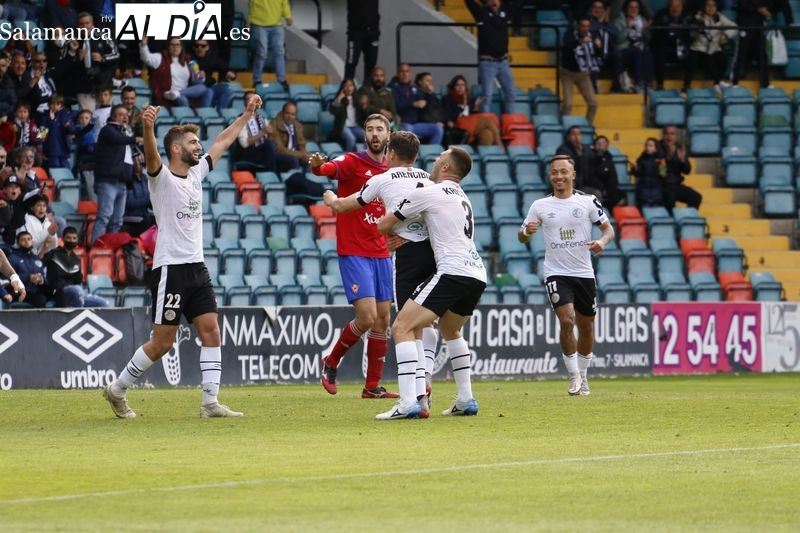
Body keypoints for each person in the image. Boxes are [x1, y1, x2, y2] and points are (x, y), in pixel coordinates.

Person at [102, 94, 264, 420]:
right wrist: (147, 127)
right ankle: (117, 390)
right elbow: (150, 155)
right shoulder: (161, 178)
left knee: (212, 331)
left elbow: (222, 141)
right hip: (170, 270)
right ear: (176, 149)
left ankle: (210, 403)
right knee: (162, 342)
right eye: (192, 141)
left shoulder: (195, 174)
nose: (198, 145)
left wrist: (246, 116)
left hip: (196, 268)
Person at [322, 131, 438, 416]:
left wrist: (330, 197)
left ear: (391, 154)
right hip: (432, 254)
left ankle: (404, 395)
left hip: (401, 256)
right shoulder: (429, 179)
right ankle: (420, 394)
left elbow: (341, 206)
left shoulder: (382, 179)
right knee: (414, 324)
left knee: (398, 325)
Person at [376, 146, 486, 418]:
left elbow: (383, 224)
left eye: (439, 158)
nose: (435, 161)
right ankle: (466, 399)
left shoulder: (429, 192)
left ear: (446, 167)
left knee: (402, 326)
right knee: (451, 330)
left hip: (452, 271)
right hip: (476, 273)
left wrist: (397, 233)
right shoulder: (464, 197)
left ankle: (407, 403)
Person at [309, 113, 398, 399]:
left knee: (383, 320)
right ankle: (331, 361)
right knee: (368, 317)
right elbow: (327, 169)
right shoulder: (352, 161)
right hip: (355, 251)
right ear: (364, 135)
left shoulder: (392, 170)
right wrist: (318, 166)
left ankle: (372, 387)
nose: (374, 134)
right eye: (370, 129)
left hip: (382, 252)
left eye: (379, 130)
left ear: (388, 135)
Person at [518, 154, 615, 396]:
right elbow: (522, 236)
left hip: (584, 273)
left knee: (587, 327)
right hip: (556, 273)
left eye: (563, 171)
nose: (558, 176)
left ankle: (583, 375)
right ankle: (573, 375)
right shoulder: (539, 206)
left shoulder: (589, 202)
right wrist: (527, 232)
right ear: (550, 175)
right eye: (554, 172)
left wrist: (602, 241)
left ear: (572, 175)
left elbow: (608, 229)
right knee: (566, 320)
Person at [91, 105, 137, 244]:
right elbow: (119, 139)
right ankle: (95, 249)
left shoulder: (125, 132)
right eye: (120, 114)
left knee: (117, 220)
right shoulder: (108, 130)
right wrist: (137, 138)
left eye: (126, 114)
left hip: (122, 182)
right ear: (112, 117)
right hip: (108, 181)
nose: (125, 117)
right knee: (104, 217)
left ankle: (110, 249)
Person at [465, 0, 517, 113]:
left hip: (503, 62)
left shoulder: (506, 11)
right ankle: (485, 123)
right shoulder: (480, 13)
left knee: (511, 93)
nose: (494, 2)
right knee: (487, 96)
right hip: (487, 62)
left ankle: (510, 121)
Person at [731, 0, 793, 89]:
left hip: (758, 26)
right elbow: (742, 4)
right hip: (745, 24)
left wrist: (770, 12)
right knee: (741, 54)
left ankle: (765, 83)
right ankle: (734, 82)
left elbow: (772, 5)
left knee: (762, 56)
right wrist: (759, 9)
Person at [139, 36, 213, 109]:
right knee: (183, 99)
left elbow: (196, 81)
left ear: (182, 47)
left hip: (186, 93)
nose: (175, 47)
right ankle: (187, 117)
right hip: (168, 94)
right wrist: (143, 45)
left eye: (178, 45)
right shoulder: (161, 57)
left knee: (205, 88)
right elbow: (146, 58)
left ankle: (201, 115)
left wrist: (201, 77)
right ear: (168, 46)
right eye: (172, 45)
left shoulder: (188, 60)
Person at [44, 225, 109, 308]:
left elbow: (78, 280)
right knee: (76, 290)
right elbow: (39, 262)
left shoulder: (77, 259)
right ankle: (79, 317)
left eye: (74, 238)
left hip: (76, 292)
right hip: (58, 291)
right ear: (63, 239)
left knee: (103, 303)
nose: (71, 241)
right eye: (69, 238)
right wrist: (45, 246)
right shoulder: (54, 254)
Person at [685, 0, 737, 94]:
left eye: (713, 6)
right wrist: (698, 25)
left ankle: (718, 82)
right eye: (708, 5)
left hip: (714, 48)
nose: (711, 8)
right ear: (704, 7)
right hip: (699, 48)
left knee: (722, 59)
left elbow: (734, 27)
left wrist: (725, 36)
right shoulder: (697, 17)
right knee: (697, 60)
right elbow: (691, 33)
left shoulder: (720, 17)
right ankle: (687, 87)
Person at [74, 12, 119, 111]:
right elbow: (67, 64)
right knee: (87, 120)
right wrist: (78, 58)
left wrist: (103, 59)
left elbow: (116, 54)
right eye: (82, 24)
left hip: (103, 86)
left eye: (87, 23)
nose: (85, 26)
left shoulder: (103, 36)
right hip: (84, 88)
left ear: (92, 23)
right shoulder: (74, 39)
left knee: (105, 118)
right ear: (78, 26)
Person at [440, 74, 502, 147]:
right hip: (458, 125)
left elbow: (472, 116)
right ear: (453, 87)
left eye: (462, 85)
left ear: (465, 87)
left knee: (487, 133)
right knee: (487, 121)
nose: (460, 88)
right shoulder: (447, 99)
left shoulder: (469, 100)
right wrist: (461, 108)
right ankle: (499, 143)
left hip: (470, 126)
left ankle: (483, 156)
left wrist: (475, 108)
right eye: (457, 85)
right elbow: (446, 114)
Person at [390, 63, 444, 145]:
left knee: (438, 129)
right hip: (401, 124)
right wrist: (413, 104)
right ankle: (410, 156)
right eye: (402, 71)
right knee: (408, 130)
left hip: (416, 124)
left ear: (410, 74)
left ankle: (430, 154)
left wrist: (430, 93)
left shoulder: (414, 87)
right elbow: (396, 104)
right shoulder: (393, 87)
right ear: (397, 73)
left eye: (407, 71)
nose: (405, 74)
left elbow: (427, 102)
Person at [560, 18, 601, 125]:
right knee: (568, 104)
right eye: (583, 26)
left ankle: (587, 126)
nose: (585, 29)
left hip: (583, 73)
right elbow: (566, 48)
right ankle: (565, 126)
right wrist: (580, 42)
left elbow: (598, 55)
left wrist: (598, 47)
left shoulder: (593, 35)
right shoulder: (570, 34)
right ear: (578, 27)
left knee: (593, 103)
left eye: (587, 26)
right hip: (568, 73)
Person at [249, 0, 292, 90]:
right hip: (258, 23)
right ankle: (257, 80)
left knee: (279, 52)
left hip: (276, 24)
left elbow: (284, 2)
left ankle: (281, 80)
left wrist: (288, 16)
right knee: (262, 52)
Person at [659, 125, 702, 213]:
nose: (669, 136)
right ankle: (671, 222)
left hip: (675, 185)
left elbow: (687, 171)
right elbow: (660, 171)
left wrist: (682, 160)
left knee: (696, 197)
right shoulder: (657, 148)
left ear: (676, 136)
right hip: (661, 185)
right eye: (667, 133)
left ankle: (687, 220)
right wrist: (668, 156)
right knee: (669, 197)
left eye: (672, 134)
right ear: (663, 135)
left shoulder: (680, 149)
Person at [651, 0, 692, 91]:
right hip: (666, 47)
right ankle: (660, 85)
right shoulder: (661, 14)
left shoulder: (688, 15)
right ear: (669, 6)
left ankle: (687, 86)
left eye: (678, 6)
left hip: (682, 47)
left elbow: (692, 32)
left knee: (692, 56)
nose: (675, 8)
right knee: (658, 54)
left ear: (682, 6)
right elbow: (656, 34)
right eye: (673, 6)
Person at [9, 230, 56, 307]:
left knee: (57, 290)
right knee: (41, 299)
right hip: (21, 292)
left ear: (32, 241)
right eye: (23, 240)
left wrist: (42, 280)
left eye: (28, 239)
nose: (27, 242)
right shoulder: (13, 258)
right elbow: (9, 278)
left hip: (37, 290)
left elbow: (43, 276)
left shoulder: (36, 258)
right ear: (18, 243)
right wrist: (28, 277)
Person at [614, 0, 653, 93]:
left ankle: (648, 84)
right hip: (623, 49)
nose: (633, 10)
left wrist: (644, 29)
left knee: (648, 54)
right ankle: (639, 83)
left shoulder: (642, 19)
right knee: (637, 52)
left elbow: (648, 39)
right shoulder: (619, 20)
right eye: (631, 7)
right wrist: (628, 27)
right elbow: (618, 39)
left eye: (636, 7)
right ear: (626, 9)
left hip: (639, 48)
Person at [189, 39, 235, 112]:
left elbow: (226, 69)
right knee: (209, 91)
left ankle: (221, 114)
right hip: (195, 88)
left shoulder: (212, 58)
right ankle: (204, 114)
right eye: (196, 46)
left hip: (209, 85)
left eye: (203, 46)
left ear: (207, 47)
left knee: (226, 89)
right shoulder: (189, 58)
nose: (199, 48)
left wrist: (231, 74)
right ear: (193, 47)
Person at [589, 1, 623, 93]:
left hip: (608, 54)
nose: (597, 10)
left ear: (604, 11)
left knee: (617, 55)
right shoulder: (589, 22)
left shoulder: (609, 24)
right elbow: (590, 30)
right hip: (594, 53)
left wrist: (605, 23)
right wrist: (599, 23)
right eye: (595, 7)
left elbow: (616, 34)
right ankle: (593, 88)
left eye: (599, 8)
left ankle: (616, 86)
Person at [344, 0, 380, 85]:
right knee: (351, 61)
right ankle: (347, 89)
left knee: (371, 62)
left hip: (373, 32)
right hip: (355, 32)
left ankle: (368, 89)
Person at [269, 100, 311, 169]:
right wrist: (301, 155)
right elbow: (279, 148)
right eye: (288, 113)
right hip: (279, 155)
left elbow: (302, 145)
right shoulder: (274, 124)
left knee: (309, 161)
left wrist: (305, 156)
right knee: (294, 160)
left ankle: (308, 178)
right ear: (282, 113)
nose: (290, 117)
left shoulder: (298, 126)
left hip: (295, 154)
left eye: (293, 114)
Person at [328, 78, 367, 152]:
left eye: (350, 85)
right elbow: (332, 111)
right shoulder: (339, 99)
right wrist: (339, 98)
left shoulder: (358, 99)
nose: (348, 88)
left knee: (368, 138)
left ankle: (366, 158)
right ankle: (349, 160)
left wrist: (364, 106)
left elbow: (364, 115)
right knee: (351, 138)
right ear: (342, 87)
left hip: (356, 126)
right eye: (346, 86)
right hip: (344, 126)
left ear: (354, 87)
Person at [39, 93, 73, 169]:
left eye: (58, 104)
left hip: (64, 149)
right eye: (52, 104)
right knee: (55, 170)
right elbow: (41, 135)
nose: (54, 106)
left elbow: (70, 130)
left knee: (66, 170)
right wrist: (52, 120)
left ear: (61, 105)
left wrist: (69, 127)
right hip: (52, 150)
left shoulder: (66, 115)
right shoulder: (45, 117)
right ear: (48, 105)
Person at [556, 126, 594, 193]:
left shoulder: (585, 149)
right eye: (573, 134)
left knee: (596, 192)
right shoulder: (562, 149)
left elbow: (592, 162)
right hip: (569, 181)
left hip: (584, 183)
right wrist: (578, 154)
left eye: (579, 134)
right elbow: (567, 167)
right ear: (568, 137)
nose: (576, 137)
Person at [589, 135, 624, 207]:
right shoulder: (590, 158)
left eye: (603, 143)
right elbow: (591, 176)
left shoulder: (609, 158)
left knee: (622, 194)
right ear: (594, 145)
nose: (601, 145)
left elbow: (613, 177)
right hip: (596, 188)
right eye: (599, 143)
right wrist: (602, 188)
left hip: (610, 189)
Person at [632, 136, 666, 207]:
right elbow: (637, 174)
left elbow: (663, 175)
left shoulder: (660, 160)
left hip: (657, 193)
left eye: (650, 146)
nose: (647, 147)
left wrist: (662, 169)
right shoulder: (641, 159)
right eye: (646, 145)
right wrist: (635, 169)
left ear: (656, 148)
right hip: (643, 192)